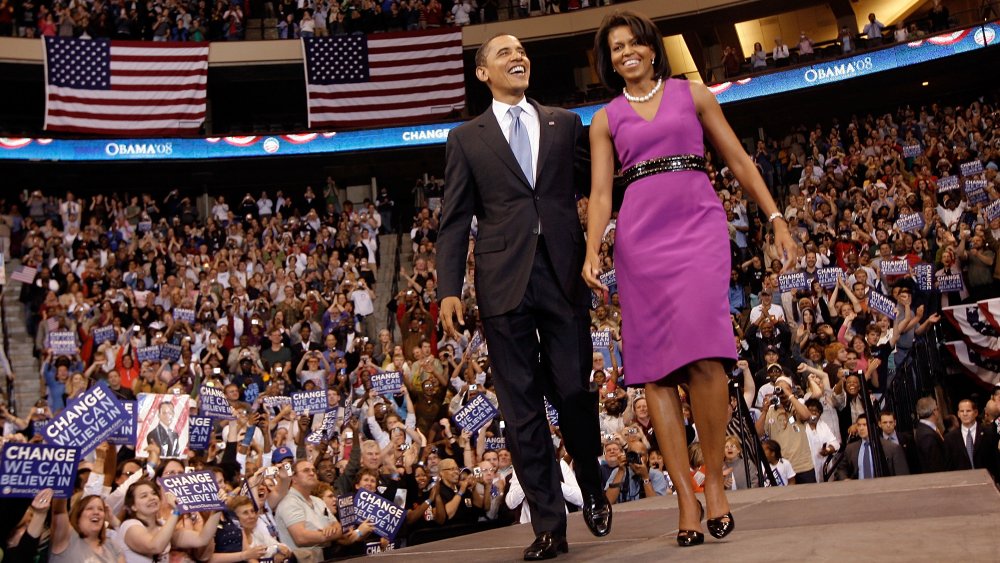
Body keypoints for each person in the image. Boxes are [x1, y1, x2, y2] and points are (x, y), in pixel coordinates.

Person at [585, 10, 796, 547]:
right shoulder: (605, 119)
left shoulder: (693, 94)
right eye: (615, 48)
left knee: (706, 357)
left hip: (699, 229)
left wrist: (776, 219)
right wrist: (592, 249)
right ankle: (685, 495)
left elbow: (741, 161)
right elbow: (603, 195)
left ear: (653, 48)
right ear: (609, 61)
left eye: (633, 43)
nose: (626, 52)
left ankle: (717, 483)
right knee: (655, 373)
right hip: (640, 241)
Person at [437, 32, 611, 560]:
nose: (518, 57)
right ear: (482, 72)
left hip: (563, 275)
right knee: (522, 410)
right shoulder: (466, 138)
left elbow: (599, 186)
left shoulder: (564, 123)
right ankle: (549, 527)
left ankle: (591, 481)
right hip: (501, 282)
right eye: (503, 53)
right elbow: (454, 220)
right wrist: (449, 289)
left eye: (521, 51)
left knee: (574, 393)